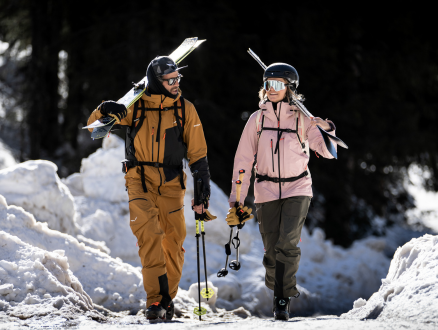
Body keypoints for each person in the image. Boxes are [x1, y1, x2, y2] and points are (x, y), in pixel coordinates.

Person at [86, 56, 214, 320]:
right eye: (170, 80)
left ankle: (167, 297)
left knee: (174, 242)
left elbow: (198, 152)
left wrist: (202, 189)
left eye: (178, 78)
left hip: (171, 184)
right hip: (139, 181)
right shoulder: (134, 106)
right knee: (149, 237)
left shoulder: (184, 109)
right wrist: (104, 108)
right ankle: (155, 300)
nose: (177, 83)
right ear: (157, 82)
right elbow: (94, 127)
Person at [226, 63, 337, 320]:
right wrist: (238, 199)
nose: (271, 89)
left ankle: (282, 299)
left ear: (289, 88)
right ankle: (278, 288)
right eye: (267, 84)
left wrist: (326, 128)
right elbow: (243, 161)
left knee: (287, 243)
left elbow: (327, 152)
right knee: (271, 250)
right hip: (265, 189)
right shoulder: (257, 119)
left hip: (297, 187)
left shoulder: (302, 118)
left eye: (277, 84)